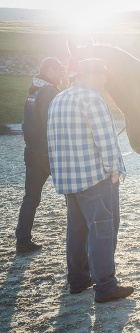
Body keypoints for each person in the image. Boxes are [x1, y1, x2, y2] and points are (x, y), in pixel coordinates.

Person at [47, 58, 133, 303]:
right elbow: (106, 140)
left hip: (68, 178)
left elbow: (53, 140)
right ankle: (105, 286)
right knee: (103, 229)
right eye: (103, 75)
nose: (105, 81)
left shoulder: (59, 98)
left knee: (76, 229)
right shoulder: (93, 98)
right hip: (94, 177)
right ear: (93, 75)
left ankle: (78, 279)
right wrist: (115, 170)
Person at [15, 57, 66, 253]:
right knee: (73, 195)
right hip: (49, 153)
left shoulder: (33, 91)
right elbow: (52, 124)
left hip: (32, 151)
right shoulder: (50, 92)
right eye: (59, 70)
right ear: (50, 70)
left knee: (31, 198)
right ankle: (80, 240)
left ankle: (22, 241)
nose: (61, 74)